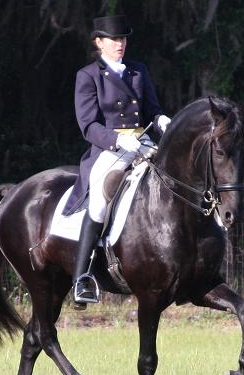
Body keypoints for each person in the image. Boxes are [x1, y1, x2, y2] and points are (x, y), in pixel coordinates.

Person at [63, 15, 171, 309]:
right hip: (109, 149)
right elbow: (87, 125)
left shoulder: (138, 70)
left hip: (143, 143)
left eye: (123, 39)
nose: (119, 44)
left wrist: (161, 119)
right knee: (99, 201)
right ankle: (81, 278)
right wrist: (117, 140)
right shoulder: (88, 76)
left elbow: (151, 108)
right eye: (113, 39)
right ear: (99, 43)